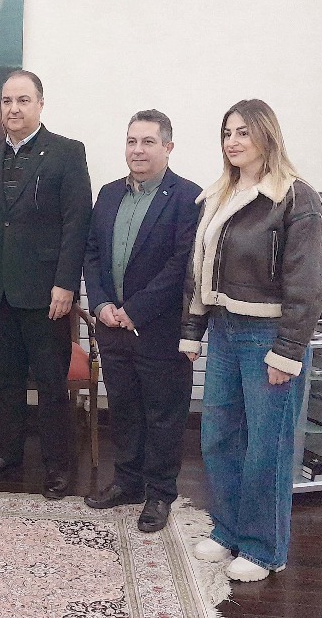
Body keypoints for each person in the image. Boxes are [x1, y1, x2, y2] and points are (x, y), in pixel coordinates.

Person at [181, 99, 322, 582]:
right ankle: (228, 530)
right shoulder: (219, 195)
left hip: (269, 335)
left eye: (243, 131)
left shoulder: (295, 198)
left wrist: (287, 352)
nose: (233, 141)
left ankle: (264, 549)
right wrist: (192, 330)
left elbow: (309, 282)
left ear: (267, 134)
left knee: (267, 447)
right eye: (227, 133)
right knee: (218, 437)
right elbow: (199, 270)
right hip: (224, 331)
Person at [0, 70, 93, 499]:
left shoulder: (67, 153)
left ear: (40, 104)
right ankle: (7, 456)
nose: (13, 109)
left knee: (51, 385)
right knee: (6, 381)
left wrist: (66, 284)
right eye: (7, 101)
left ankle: (58, 467)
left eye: (23, 100)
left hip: (46, 295)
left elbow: (77, 224)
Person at [82, 110, 201, 532]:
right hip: (111, 326)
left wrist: (136, 309)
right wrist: (100, 303)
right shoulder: (109, 193)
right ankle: (127, 483)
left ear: (168, 147)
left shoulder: (188, 197)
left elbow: (181, 265)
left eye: (148, 142)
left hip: (159, 328)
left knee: (163, 414)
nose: (138, 150)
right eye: (132, 141)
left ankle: (160, 494)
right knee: (124, 408)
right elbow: (92, 252)